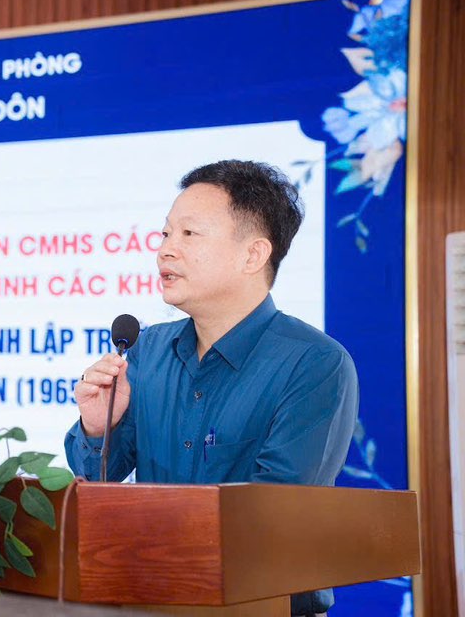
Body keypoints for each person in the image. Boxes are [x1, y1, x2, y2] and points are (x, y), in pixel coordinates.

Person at [64, 160, 358, 617]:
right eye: (165, 233)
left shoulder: (314, 364)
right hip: (148, 602)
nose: (165, 250)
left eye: (189, 234)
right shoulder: (147, 350)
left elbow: (273, 516)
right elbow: (99, 480)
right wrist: (99, 428)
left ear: (253, 256)